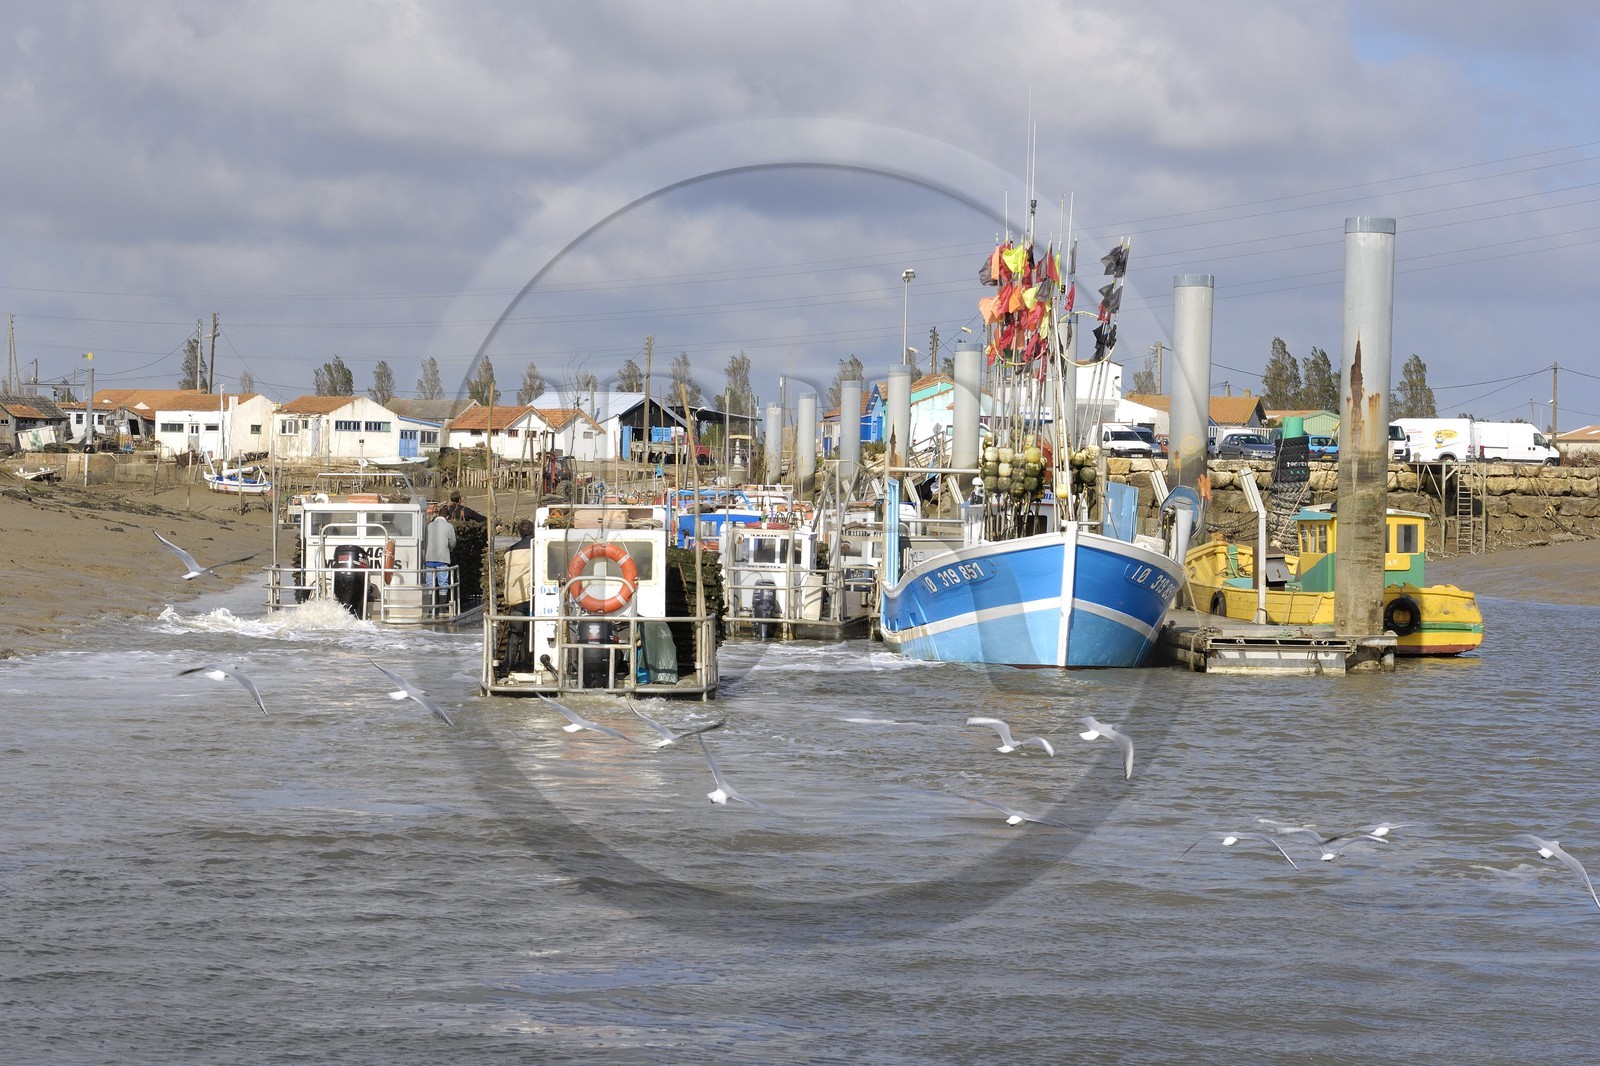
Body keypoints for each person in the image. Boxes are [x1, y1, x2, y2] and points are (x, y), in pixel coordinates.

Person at [423, 503, 456, 599]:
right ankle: (442, 607)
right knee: (443, 583)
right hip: (443, 558)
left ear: (438, 515)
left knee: (430, 583)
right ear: (447, 516)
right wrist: (449, 549)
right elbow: (453, 542)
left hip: (429, 558)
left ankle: (430, 605)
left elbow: (425, 541)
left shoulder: (429, 526)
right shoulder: (449, 526)